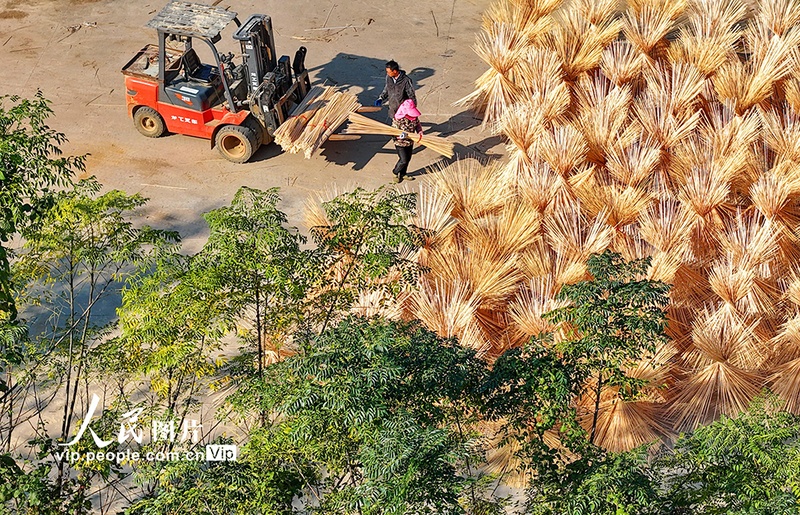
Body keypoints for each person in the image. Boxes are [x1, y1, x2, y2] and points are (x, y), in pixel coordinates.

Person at [391, 99, 423, 183]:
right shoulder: (397, 120)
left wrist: (420, 131)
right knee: (403, 160)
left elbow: (418, 125)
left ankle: (403, 174)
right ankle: (395, 172)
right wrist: (399, 136)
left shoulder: (414, 118)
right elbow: (392, 131)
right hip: (400, 143)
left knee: (408, 159)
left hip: (410, 142)